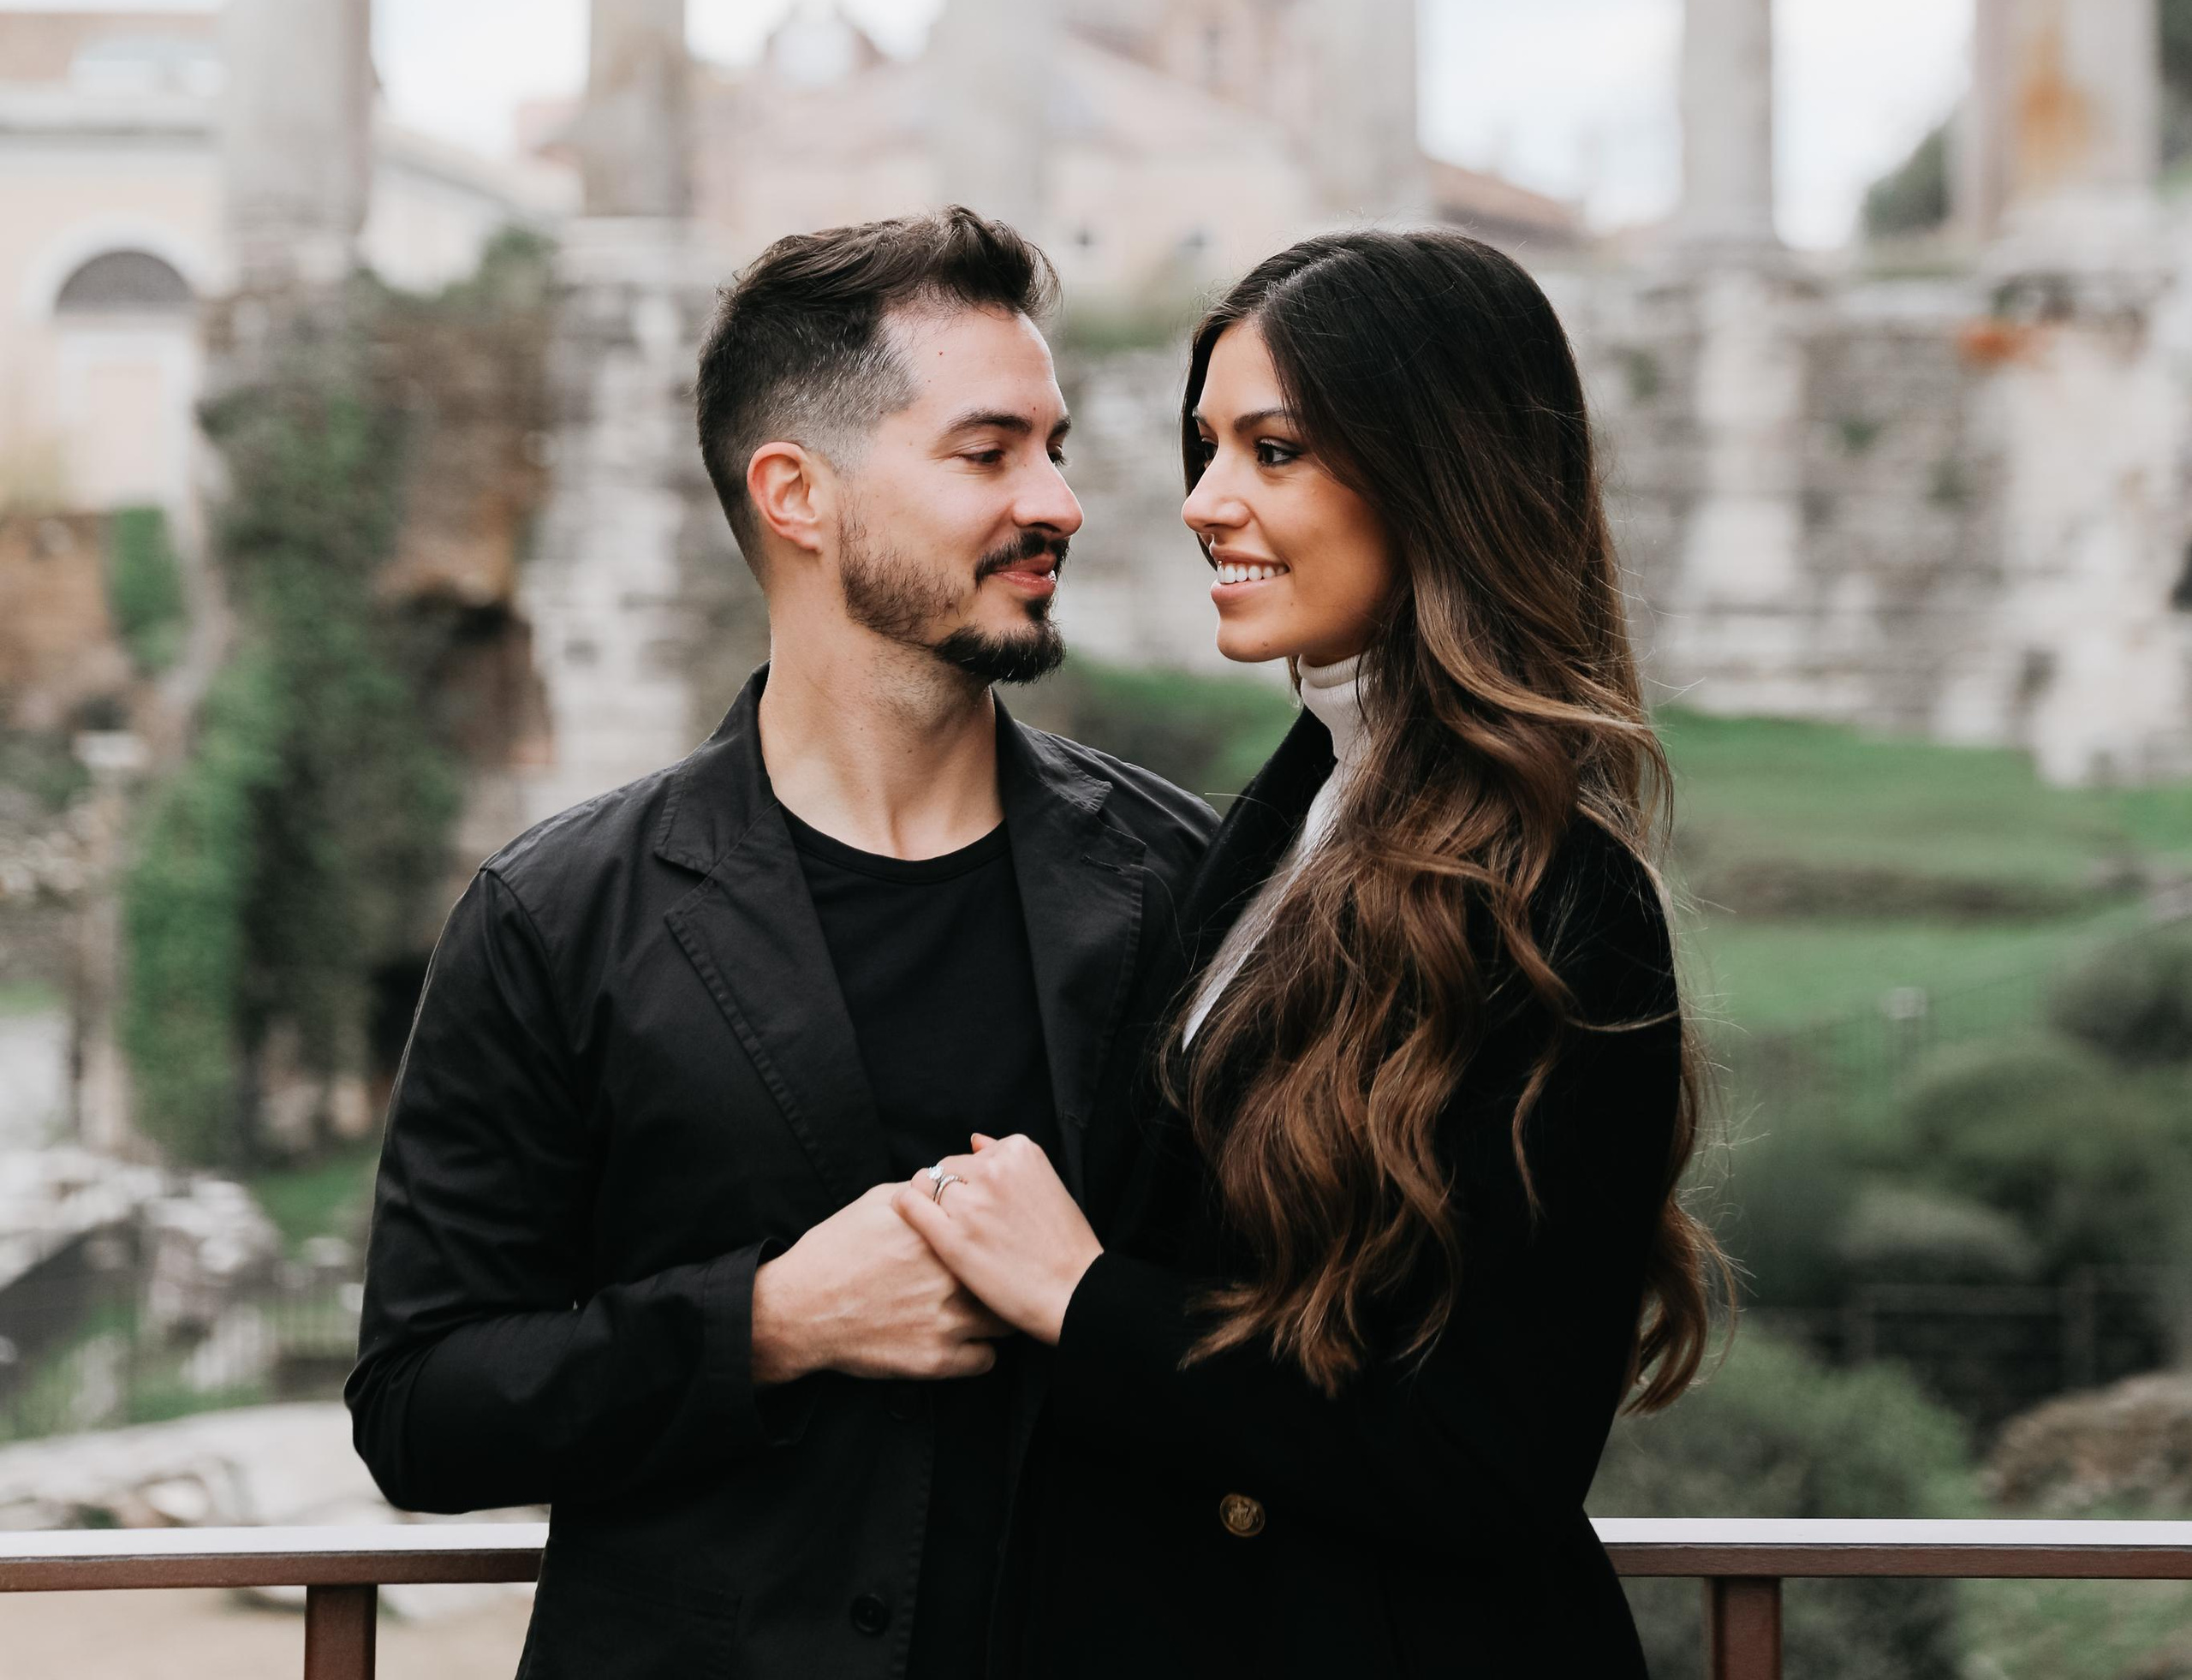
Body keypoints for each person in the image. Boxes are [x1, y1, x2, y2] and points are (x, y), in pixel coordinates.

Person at [348, 209, 1214, 1680]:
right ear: (797, 495)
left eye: (1054, 449)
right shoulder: (554, 916)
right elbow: (422, 1408)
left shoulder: (1187, 881)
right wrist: (763, 1323)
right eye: (989, 451)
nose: (1060, 500)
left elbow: (1300, 1336)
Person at [898, 229, 1718, 1680]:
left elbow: (1487, 1453)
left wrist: (1087, 1302)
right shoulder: (1278, 832)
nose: (1207, 503)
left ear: (1436, 472)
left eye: (1274, 451)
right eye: (1204, 448)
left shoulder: (1564, 905)